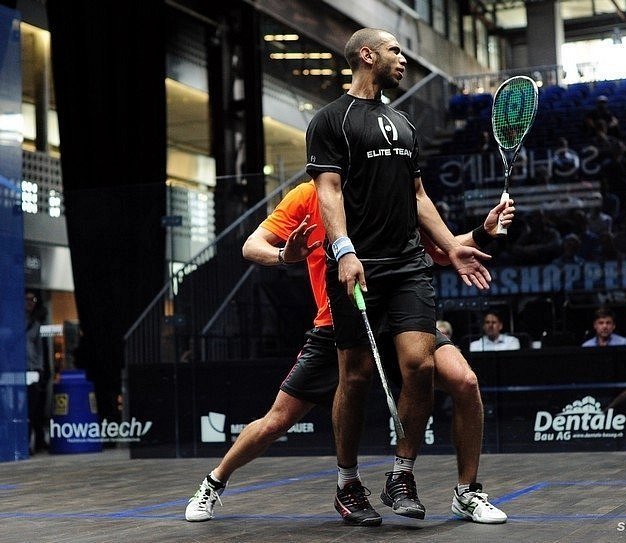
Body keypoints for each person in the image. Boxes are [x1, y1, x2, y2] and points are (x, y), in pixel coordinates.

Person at [184, 181, 514, 525]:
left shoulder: (387, 182)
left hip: (397, 317)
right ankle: (214, 482)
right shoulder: (308, 195)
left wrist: (483, 232)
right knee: (277, 420)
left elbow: (440, 252)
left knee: (465, 381)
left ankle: (467, 492)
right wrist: (284, 256)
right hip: (337, 324)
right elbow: (251, 246)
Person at [298, 27, 491, 525]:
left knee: (420, 367)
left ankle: (401, 474)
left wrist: (450, 245)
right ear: (367, 55)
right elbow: (328, 190)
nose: (403, 59)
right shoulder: (330, 120)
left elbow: (418, 196)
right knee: (356, 376)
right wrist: (343, 250)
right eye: (394, 51)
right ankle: (347, 483)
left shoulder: (403, 123)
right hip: (357, 267)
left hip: (408, 266)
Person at [25, 290, 48, 453]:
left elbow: (40, 350)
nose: (29, 302)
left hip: (32, 369)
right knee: (20, 408)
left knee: (32, 407)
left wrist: (41, 369)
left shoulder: (36, 324)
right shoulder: (14, 322)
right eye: (26, 299)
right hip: (17, 369)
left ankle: (32, 442)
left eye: (32, 300)